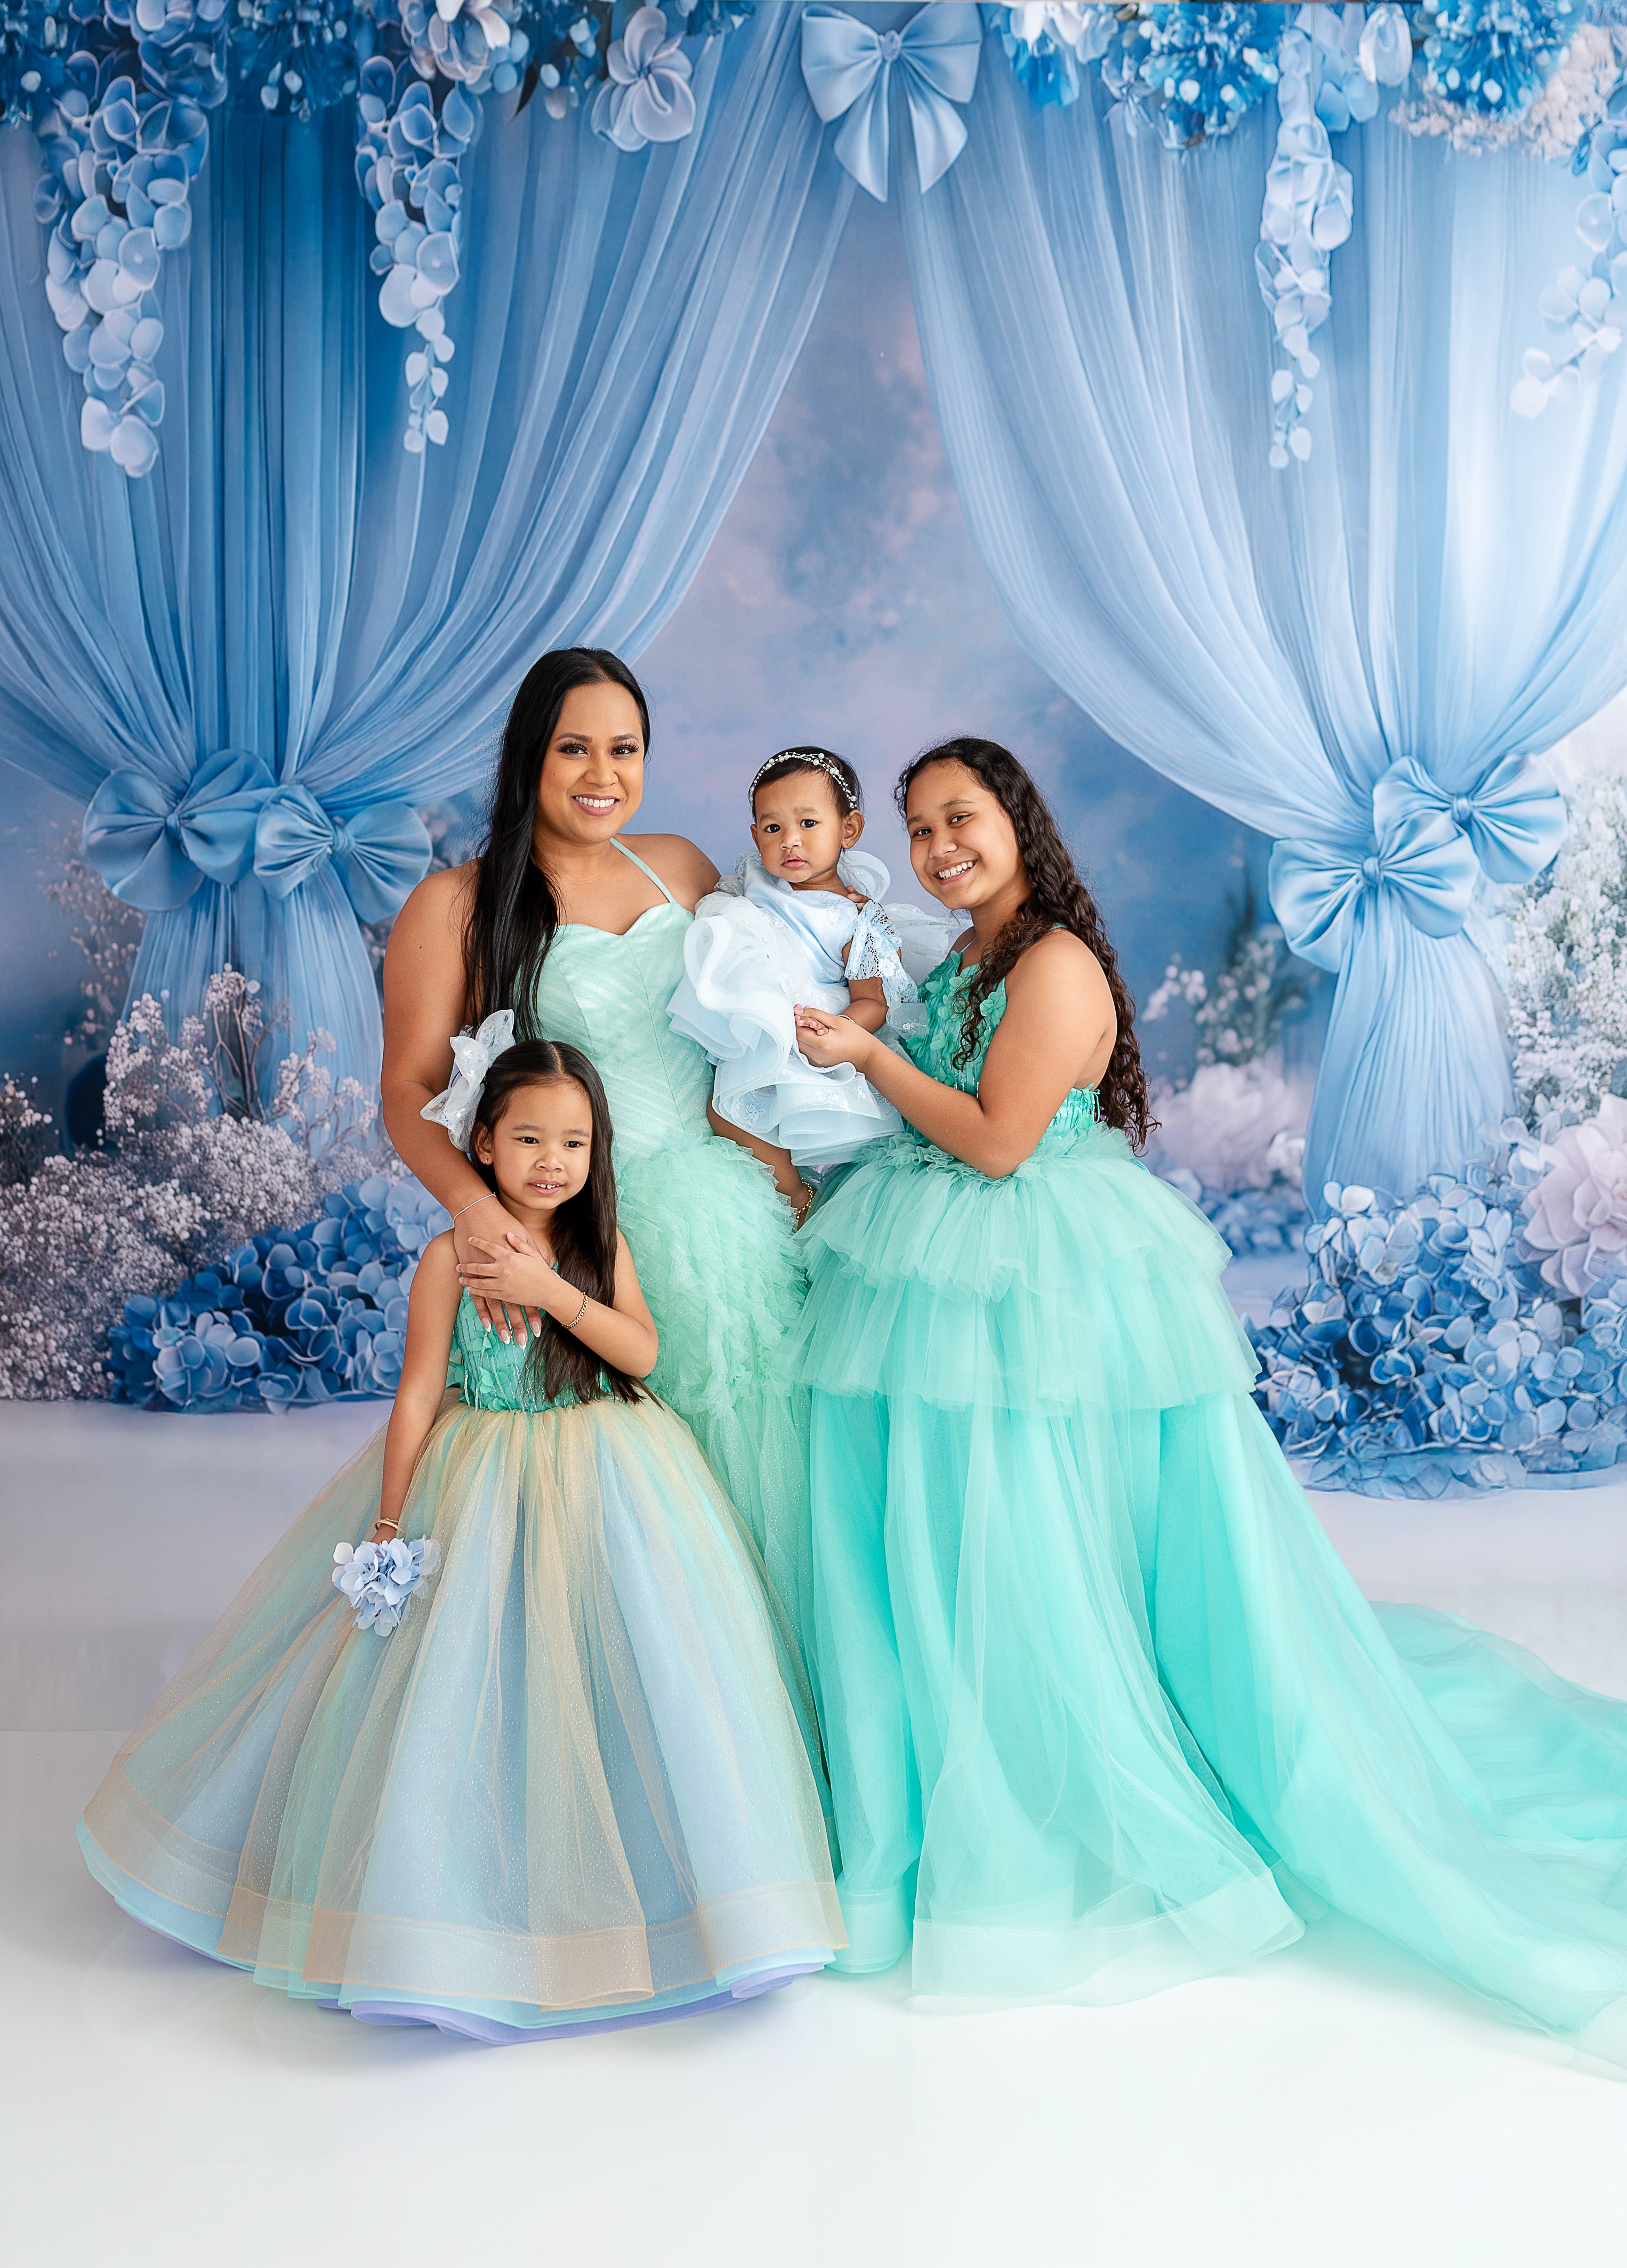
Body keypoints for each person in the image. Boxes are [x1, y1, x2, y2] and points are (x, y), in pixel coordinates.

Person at [790, 735, 1627, 2062]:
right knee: (970, 1512)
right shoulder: (963, 962)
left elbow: (1001, 1143)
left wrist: (867, 1060)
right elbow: (933, 1106)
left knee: (1044, 1515)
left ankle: (1081, 1735)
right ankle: (969, 1732)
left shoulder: (1054, 963)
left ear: (1018, 820)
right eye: (921, 829)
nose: (943, 849)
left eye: (964, 819)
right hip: (939, 1250)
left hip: (1037, 1259)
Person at [78, 1037, 843, 2042]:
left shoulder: (598, 1241)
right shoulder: (449, 1254)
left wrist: (556, 1295)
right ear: (482, 1144)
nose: (550, 1161)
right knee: (466, 1673)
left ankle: (660, 1905)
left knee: (627, 1663)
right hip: (478, 1469)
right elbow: (415, 1393)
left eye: (573, 1142)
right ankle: (453, 1915)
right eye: (528, 1138)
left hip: (614, 1468)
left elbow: (641, 1350)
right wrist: (391, 1518)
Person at [381, 647, 815, 1645]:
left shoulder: (681, 869)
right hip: (578, 1226)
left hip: (722, 1219)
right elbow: (406, 1092)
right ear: (528, 755)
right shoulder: (456, 904)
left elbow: (742, 1051)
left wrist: (787, 1177)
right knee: (617, 1523)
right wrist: (480, 1209)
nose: (601, 775)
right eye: (574, 748)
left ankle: (768, 1737)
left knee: (759, 1476)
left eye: (624, 749)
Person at [667, 744, 959, 1176]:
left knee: (774, 1116)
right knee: (726, 1113)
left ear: (849, 829)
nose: (790, 840)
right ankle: (789, 1197)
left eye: (808, 823)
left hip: (815, 1029)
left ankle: (798, 1198)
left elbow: (874, 1002)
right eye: (772, 828)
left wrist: (833, 1031)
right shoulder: (756, 877)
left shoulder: (856, 918)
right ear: (755, 836)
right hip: (762, 1017)